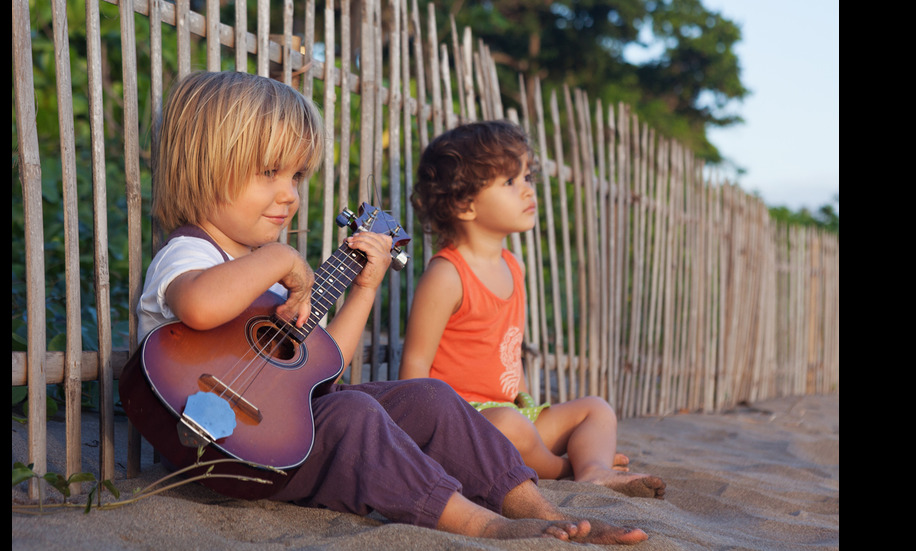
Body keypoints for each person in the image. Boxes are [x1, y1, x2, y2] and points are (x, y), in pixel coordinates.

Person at [136, 71, 649, 544]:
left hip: (281, 432)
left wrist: (363, 287)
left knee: (429, 396)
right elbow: (200, 306)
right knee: (352, 412)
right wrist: (280, 257)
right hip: (221, 447)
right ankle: (482, 524)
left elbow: (320, 361)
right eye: (270, 171)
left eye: (297, 177)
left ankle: (534, 508)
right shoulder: (191, 253)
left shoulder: (264, 278)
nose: (290, 195)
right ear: (203, 167)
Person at [399, 120, 665, 499]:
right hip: (464, 424)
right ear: (464, 204)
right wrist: (419, 442)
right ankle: (566, 467)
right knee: (509, 427)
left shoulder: (513, 266)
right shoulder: (447, 275)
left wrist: (529, 404)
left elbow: (509, 350)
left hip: (512, 412)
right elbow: (414, 368)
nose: (527, 189)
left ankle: (593, 471)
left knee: (596, 408)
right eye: (510, 182)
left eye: (527, 176)